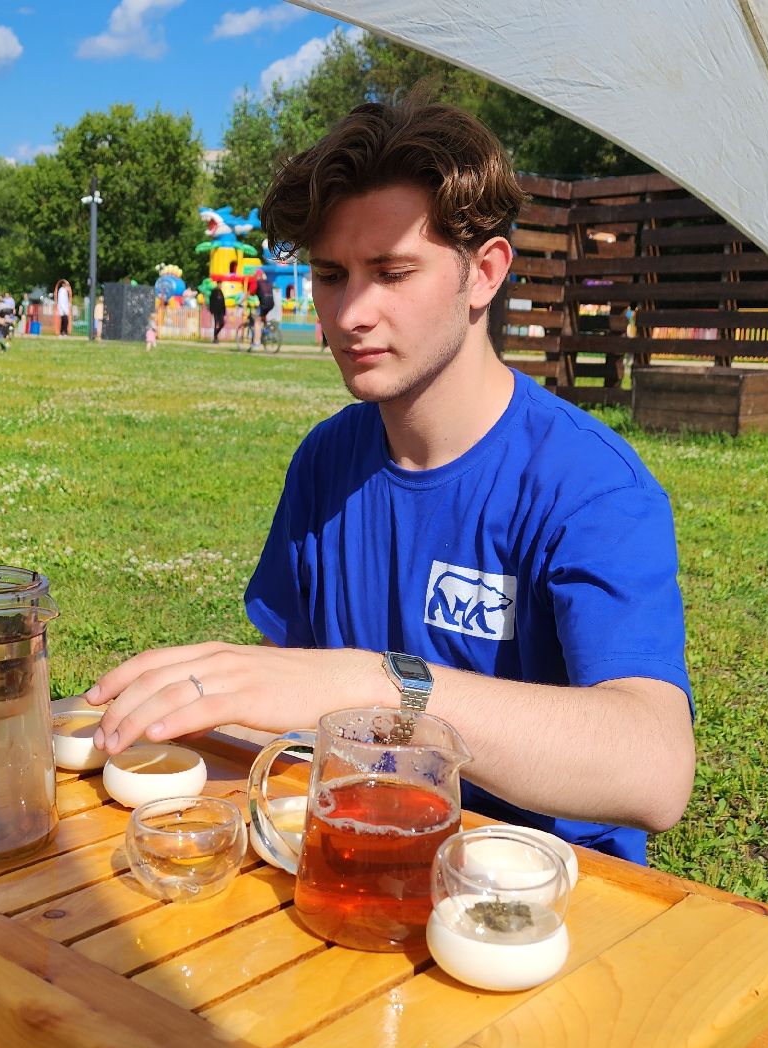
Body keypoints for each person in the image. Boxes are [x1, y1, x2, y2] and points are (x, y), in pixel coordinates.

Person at [87, 97, 695, 865]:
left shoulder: (591, 488)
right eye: (332, 276)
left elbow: (654, 767)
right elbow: (296, 704)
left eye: (392, 272)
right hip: (360, 865)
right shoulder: (326, 461)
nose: (351, 314)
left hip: (533, 909)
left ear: (486, 275)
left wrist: (383, 687)